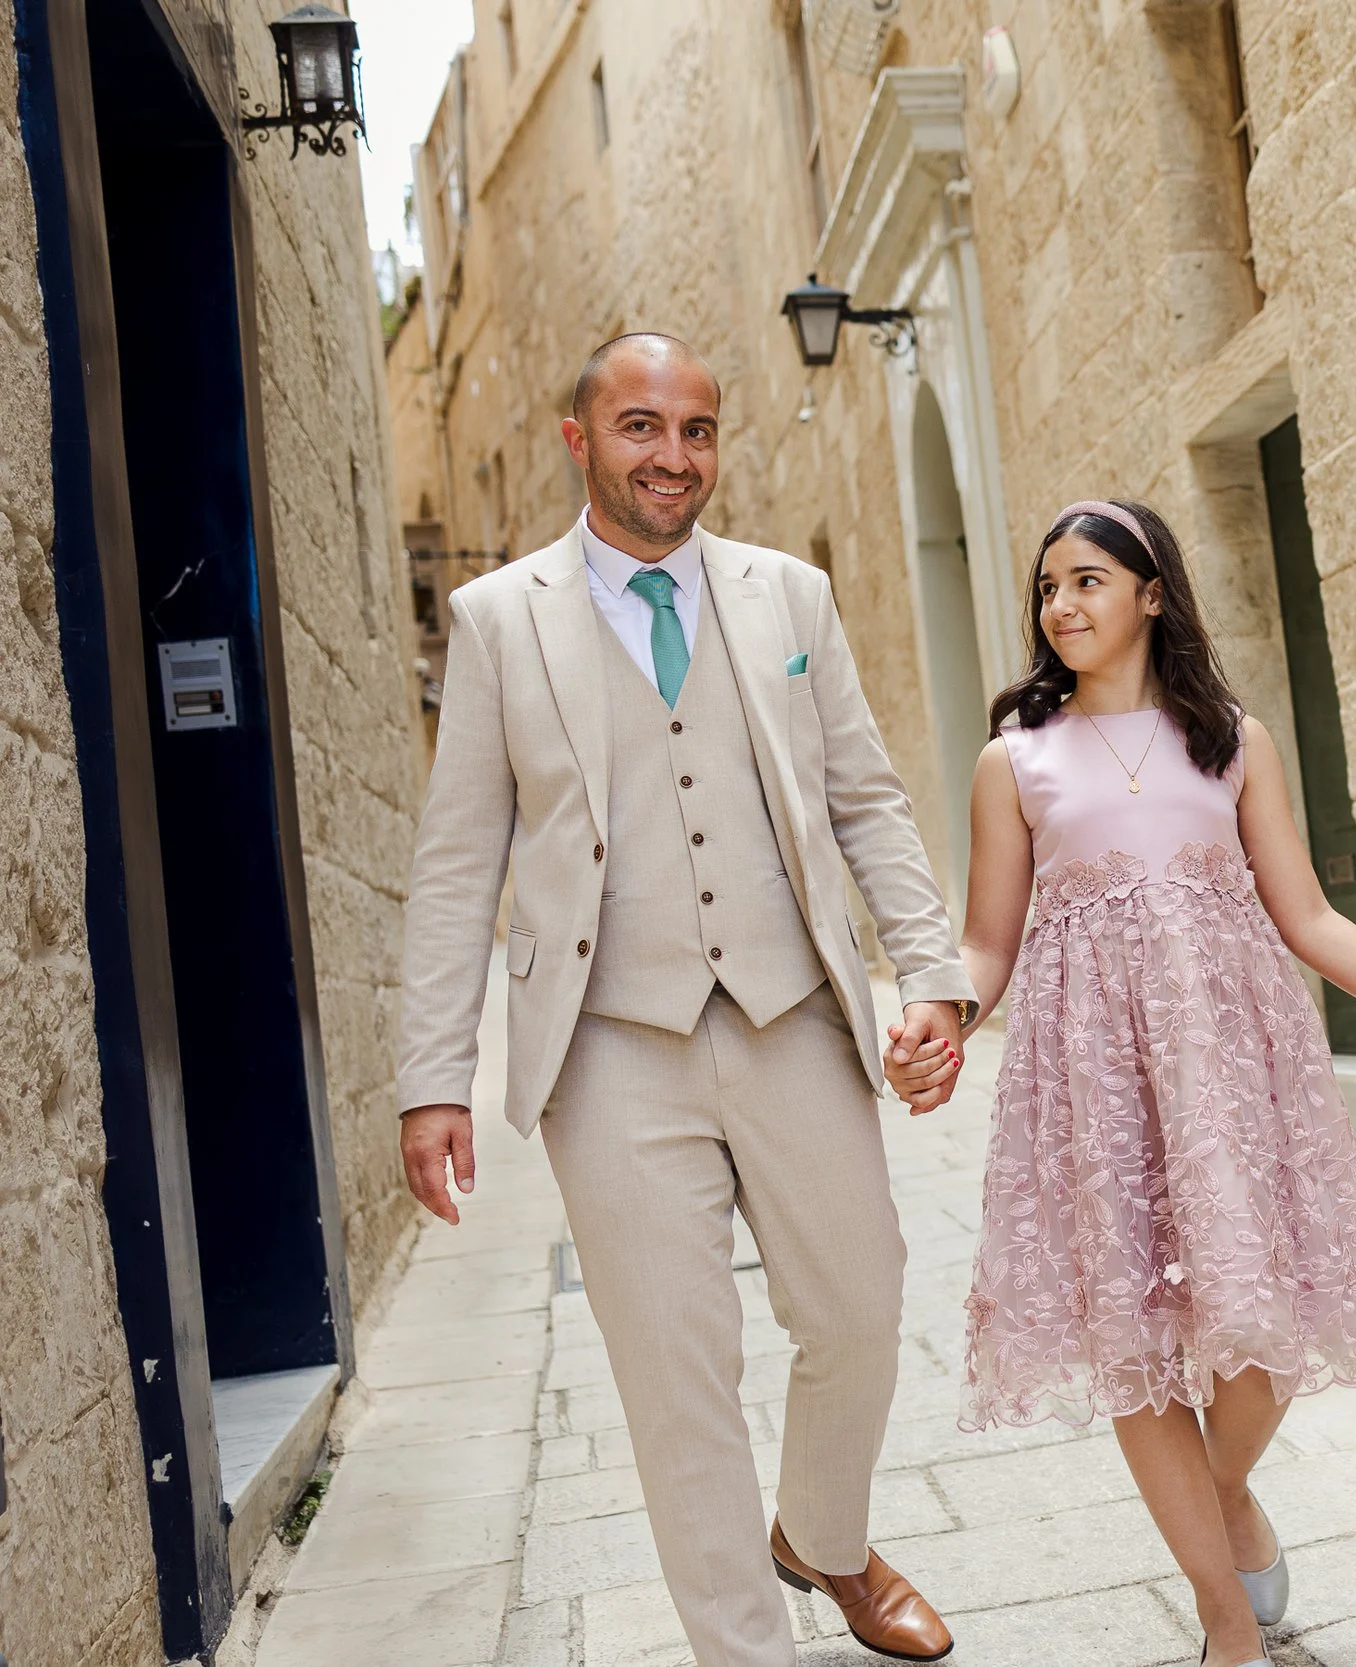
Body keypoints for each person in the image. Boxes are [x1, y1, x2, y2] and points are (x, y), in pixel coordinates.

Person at [397, 333, 976, 1665]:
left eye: (698, 429)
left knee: (861, 1308)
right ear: (578, 437)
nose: (673, 455)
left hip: (793, 1016)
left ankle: (824, 1535)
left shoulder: (791, 597)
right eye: (642, 425)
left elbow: (868, 800)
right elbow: (456, 864)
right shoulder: (499, 619)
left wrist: (932, 978)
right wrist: (435, 1076)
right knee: (677, 1378)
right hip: (609, 1049)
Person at [929, 500, 1356, 1667]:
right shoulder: (1016, 759)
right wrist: (939, 1014)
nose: (1063, 605)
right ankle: (1223, 1614)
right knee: (1136, 1335)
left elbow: (1306, 916)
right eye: (1048, 587)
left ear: (1153, 593)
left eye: (1089, 579)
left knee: (1262, 1335)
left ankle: (1225, 1488)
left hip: (1235, 1066)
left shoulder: (1232, 741)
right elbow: (986, 942)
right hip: (1093, 1076)